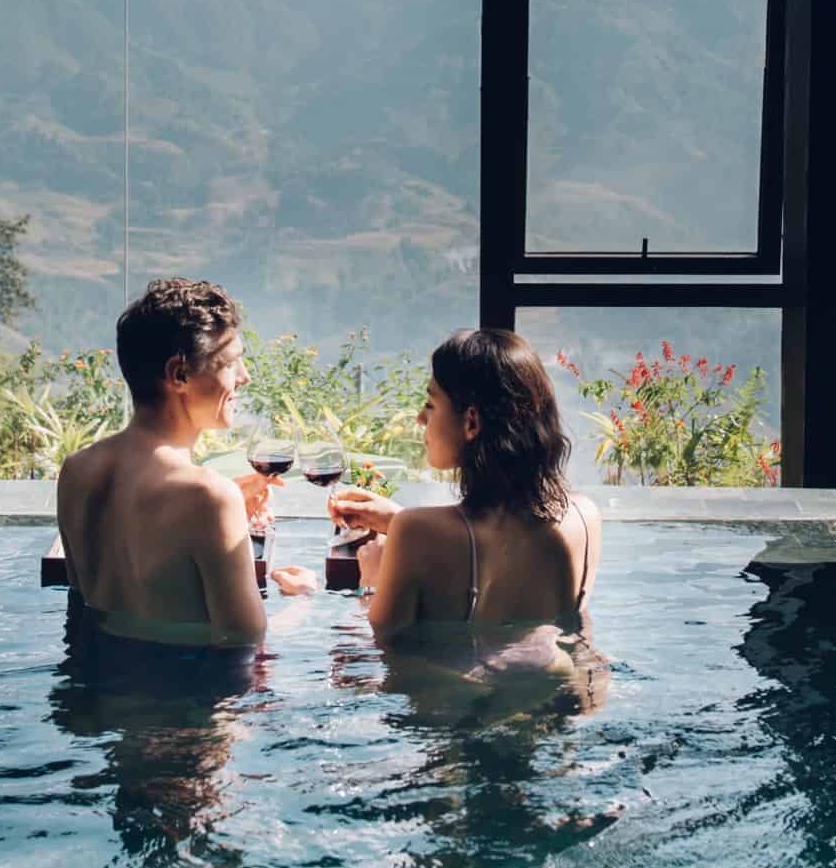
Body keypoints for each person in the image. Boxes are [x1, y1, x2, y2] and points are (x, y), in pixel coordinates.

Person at [328, 327, 602, 685]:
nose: (420, 418)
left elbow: (386, 656)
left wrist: (371, 580)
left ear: (471, 422)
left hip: (459, 713)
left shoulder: (415, 531)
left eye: (430, 404)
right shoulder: (585, 516)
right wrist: (398, 522)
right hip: (568, 704)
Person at [56, 278, 312, 648]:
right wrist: (303, 600)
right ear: (179, 375)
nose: (244, 377)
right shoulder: (209, 497)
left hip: (94, 680)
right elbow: (246, 646)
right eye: (232, 362)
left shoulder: (77, 470)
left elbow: (87, 609)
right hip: (188, 685)